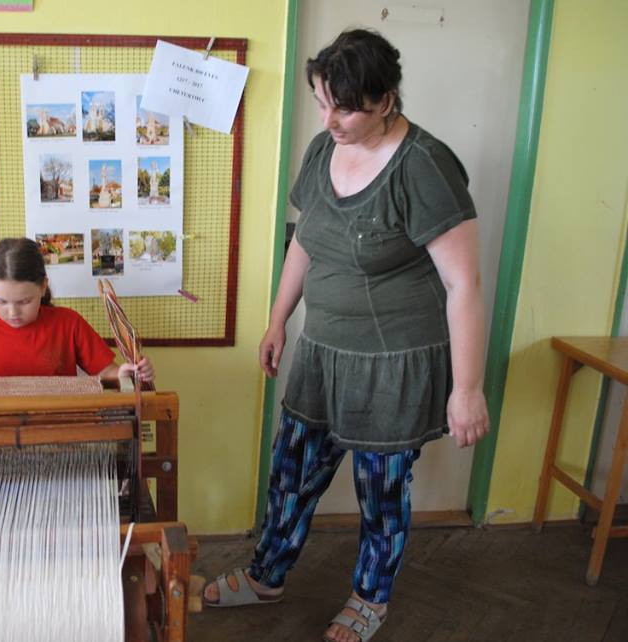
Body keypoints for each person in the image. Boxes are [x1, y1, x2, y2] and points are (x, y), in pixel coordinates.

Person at [203, 29, 489, 642]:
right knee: (291, 472)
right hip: (322, 351)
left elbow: (464, 283)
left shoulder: (424, 166)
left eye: (345, 108)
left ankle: (370, 599)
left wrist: (467, 389)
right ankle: (266, 575)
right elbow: (305, 241)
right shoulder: (322, 149)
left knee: (381, 491)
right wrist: (278, 320)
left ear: (385, 100)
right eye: (321, 102)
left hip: (393, 362)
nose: (328, 120)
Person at [0, 237, 153, 395]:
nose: (12, 313)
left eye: (24, 301)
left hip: (61, 445)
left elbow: (107, 373)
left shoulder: (68, 324)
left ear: (43, 287)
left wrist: (127, 373)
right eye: (1, 301)